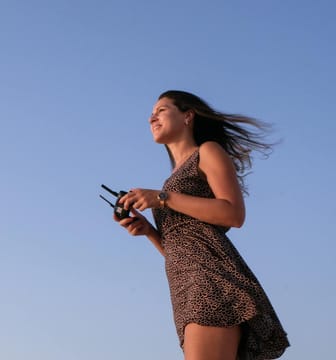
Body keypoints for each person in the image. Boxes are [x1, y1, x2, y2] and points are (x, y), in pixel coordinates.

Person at [116, 90, 289, 360]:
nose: (152, 117)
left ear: (187, 116)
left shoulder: (206, 152)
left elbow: (234, 213)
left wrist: (162, 198)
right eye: (151, 113)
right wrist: (149, 231)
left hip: (210, 284)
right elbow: (185, 250)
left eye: (161, 110)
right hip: (185, 287)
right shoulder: (172, 178)